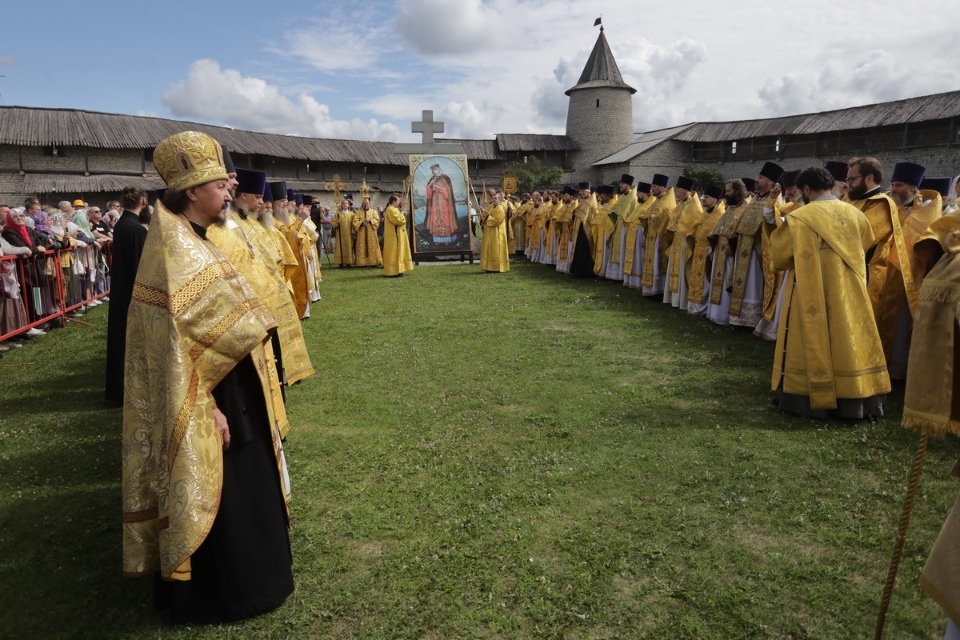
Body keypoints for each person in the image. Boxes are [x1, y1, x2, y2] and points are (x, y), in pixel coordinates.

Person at [122, 131, 293, 624]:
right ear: (193, 191)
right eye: (221, 183)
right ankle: (231, 593)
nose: (229, 189)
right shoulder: (172, 246)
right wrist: (209, 408)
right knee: (223, 491)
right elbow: (173, 347)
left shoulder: (195, 236)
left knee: (248, 484)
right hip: (209, 399)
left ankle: (261, 575)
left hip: (239, 388)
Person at [769, 166, 890, 418]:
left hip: (810, 292)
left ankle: (805, 398)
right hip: (850, 291)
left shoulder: (801, 217)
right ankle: (856, 400)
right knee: (848, 340)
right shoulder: (856, 214)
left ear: (806, 189)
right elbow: (867, 242)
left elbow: (779, 258)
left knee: (810, 341)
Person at [104, 186, 148, 403]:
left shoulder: (123, 224)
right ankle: (126, 389)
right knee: (129, 340)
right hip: (132, 289)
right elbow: (141, 267)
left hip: (122, 288)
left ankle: (118, 389)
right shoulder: (136, 229)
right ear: (144, 201)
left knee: (122, 339)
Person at [424, 163, 459, 243]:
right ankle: (437, 239)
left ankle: (447, 239)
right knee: (436, 220)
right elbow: (429, 195)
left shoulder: (445, 178)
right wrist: (430, 185)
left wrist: (439, 188)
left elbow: (448, 193)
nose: (434, 172)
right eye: (433, 171)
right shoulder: (432, 179)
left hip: (444, 203)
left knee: (445, 220)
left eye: (435, 170)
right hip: (435, 204)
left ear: (439, 169)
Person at [382, 195, 413, 277]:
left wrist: (401, 213)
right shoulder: (390, 209)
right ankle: (393, 271)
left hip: (399, 235)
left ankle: (400, 270)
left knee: (400, 252)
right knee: (394, 253)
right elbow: (398, 220)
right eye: (398, 201)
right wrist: (402, 213)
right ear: (394, 201)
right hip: (394, 236)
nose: (399, 202)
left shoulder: (395, 209)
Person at [479, 191, 509, 272]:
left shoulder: (500, 208)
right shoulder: (492, 207)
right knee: (489, 249)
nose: (494, 200)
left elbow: (496, 221)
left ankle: (496, 267)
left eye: (496, 198)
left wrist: (487, 216)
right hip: (490, 233)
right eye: (493, 198)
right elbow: (487, 215)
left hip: (497, 233)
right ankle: (489, 267)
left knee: (496, 249)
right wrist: (483, 211)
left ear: (499, 199)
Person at [353, 196, 383, 267]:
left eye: (367, 203)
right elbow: (355, 221)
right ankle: (362, 262)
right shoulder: (358, 212)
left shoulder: (374, 212)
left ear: (369, 204)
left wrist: (370, 220)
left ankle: (374, 261)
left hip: (371, 233)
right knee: (362, 246)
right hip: (361, 233)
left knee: (373, 246)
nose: (365, 204)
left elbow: (377, 220)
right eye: (364, 203)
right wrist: (361, 223)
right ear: (362, 204)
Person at [331, 198, 355, 267]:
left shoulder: (352, 214)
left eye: (346, 203)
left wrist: (353, 232)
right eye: (343, 203)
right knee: (340, 246)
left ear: (348, 205)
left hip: (349, 234)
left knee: (349, 247)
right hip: (340, 234)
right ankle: (340, 262)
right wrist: (336, 223)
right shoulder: (338, 214)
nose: (344, 204)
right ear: (341, 205)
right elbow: (333, 222)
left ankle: (348, 262)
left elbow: (354, 223)